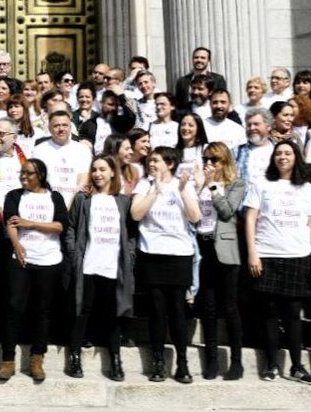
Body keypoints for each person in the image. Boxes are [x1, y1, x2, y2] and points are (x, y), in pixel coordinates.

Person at [244, 140, 311, 384]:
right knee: (269, 313)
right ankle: (271, 365)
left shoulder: (307, 188)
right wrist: (252, 253)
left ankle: (297, 366)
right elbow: (250, 220)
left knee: (292, 314)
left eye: (288, 153)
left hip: (297, 255)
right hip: (267, 254)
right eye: (278, 153)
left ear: (295, 157)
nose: (282, 157)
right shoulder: (261, 183)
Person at [131, 146, 201, 384]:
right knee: (157, 312)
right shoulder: (144, 185)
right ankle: (158, 362)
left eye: (157, 161)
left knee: (178, 311)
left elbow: (195, 217)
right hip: (152, 253)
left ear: (170, 163)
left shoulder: (184, 185)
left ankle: (182, 362)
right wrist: (154, 191)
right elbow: (136, 214)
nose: (152, 164)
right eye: (150, 161)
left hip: (179, 254)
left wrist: (182, 191)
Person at [64, 155, 134, 382]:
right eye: (94, 169)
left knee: (113, 315)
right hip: (88, 265)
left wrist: (129, 256)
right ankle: (74, 357)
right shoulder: (84, 200)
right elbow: (71, 228)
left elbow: (131, 234)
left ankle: (115, 360)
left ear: (113, 172)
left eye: (102, 169)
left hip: (113, 267)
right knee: (81, 312)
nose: (97, 174)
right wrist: (75, 256)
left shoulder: (123, 201)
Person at [0, 158, 68, 383]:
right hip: (21, 260)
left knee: (42, 311)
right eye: (22, 173)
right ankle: (8, 360)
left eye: (29, 173)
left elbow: (59, 226)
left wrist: (31, 224)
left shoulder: (54, 197)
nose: (24, 177)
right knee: (13, 307)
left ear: (41, 175)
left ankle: (37, 359)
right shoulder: (14, 195)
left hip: (48, 261)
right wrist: (16, 245)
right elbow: (10, 222)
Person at [194, 143, 246, 380]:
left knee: (231, 308)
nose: (209, 164)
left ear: (224, 161)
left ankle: (236, 361)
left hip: (225, 249)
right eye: (206, 158)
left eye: (214, 159)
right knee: (209, 307)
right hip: (202, 246)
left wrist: (213, 186)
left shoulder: (235, 184)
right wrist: (199, 186)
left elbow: (226, 212)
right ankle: (212, 359)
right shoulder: (201, 184)